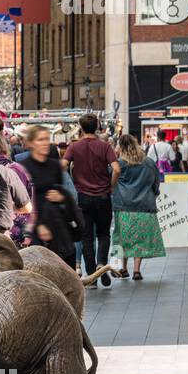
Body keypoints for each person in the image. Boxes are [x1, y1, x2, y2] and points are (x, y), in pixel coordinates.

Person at [63, 114, 119, 286]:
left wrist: (71, 183)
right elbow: (116, 169)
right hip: (103, 197)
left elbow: (62, 166)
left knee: (86, 237)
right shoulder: (104, 146)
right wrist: (111, 187)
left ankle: (92, 275)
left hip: (83, 198)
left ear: (80, 126)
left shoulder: (74, 146)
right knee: (103, 234)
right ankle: (102, 262)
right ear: (97, 126)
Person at [21, 125, 84, 267]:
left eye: (47, 139)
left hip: (58, 223)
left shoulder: (55, 165)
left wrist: (61, 197)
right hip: (35, 225)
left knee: (65, 264)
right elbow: (23, 201)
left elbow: (62, 191)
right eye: (40, 139)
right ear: (30, 143)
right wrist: (39, 226)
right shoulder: (24, 167)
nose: (45, 143)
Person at [110, 134, 165, 281]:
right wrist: (155, 193)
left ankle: (123, 268)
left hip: (123, 206)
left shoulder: (119, 164)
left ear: (121, 147)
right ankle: (136, 270)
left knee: (122, 238)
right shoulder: (149, 162)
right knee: (140, 239)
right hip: (145, 206)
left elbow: (111, 181)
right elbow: (156, 183)